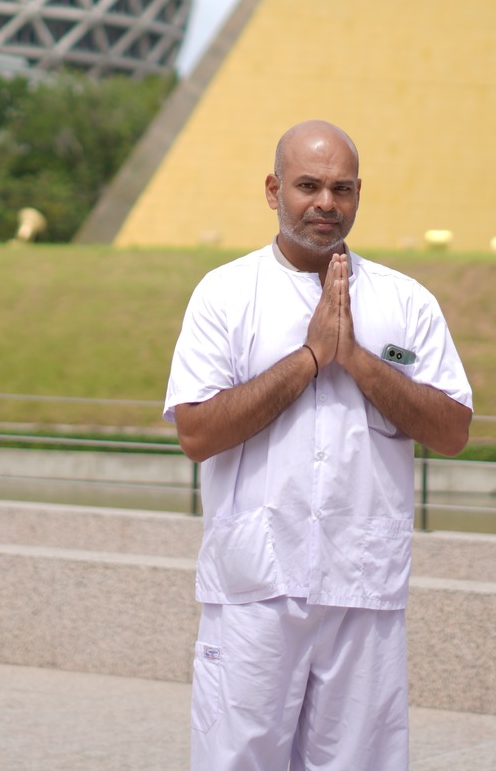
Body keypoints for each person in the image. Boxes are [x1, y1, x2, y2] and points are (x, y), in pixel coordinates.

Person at [165, 120, 474, 771]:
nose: (326, 203)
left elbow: (452, 431)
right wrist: (308, 358)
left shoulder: (406, 302)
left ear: (360, 193)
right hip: (255, 587)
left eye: (342, 188)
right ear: (273, 189)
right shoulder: (226, 294)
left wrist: (356, 359)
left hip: (362, 588)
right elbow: (196, 433)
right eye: (308, 186)